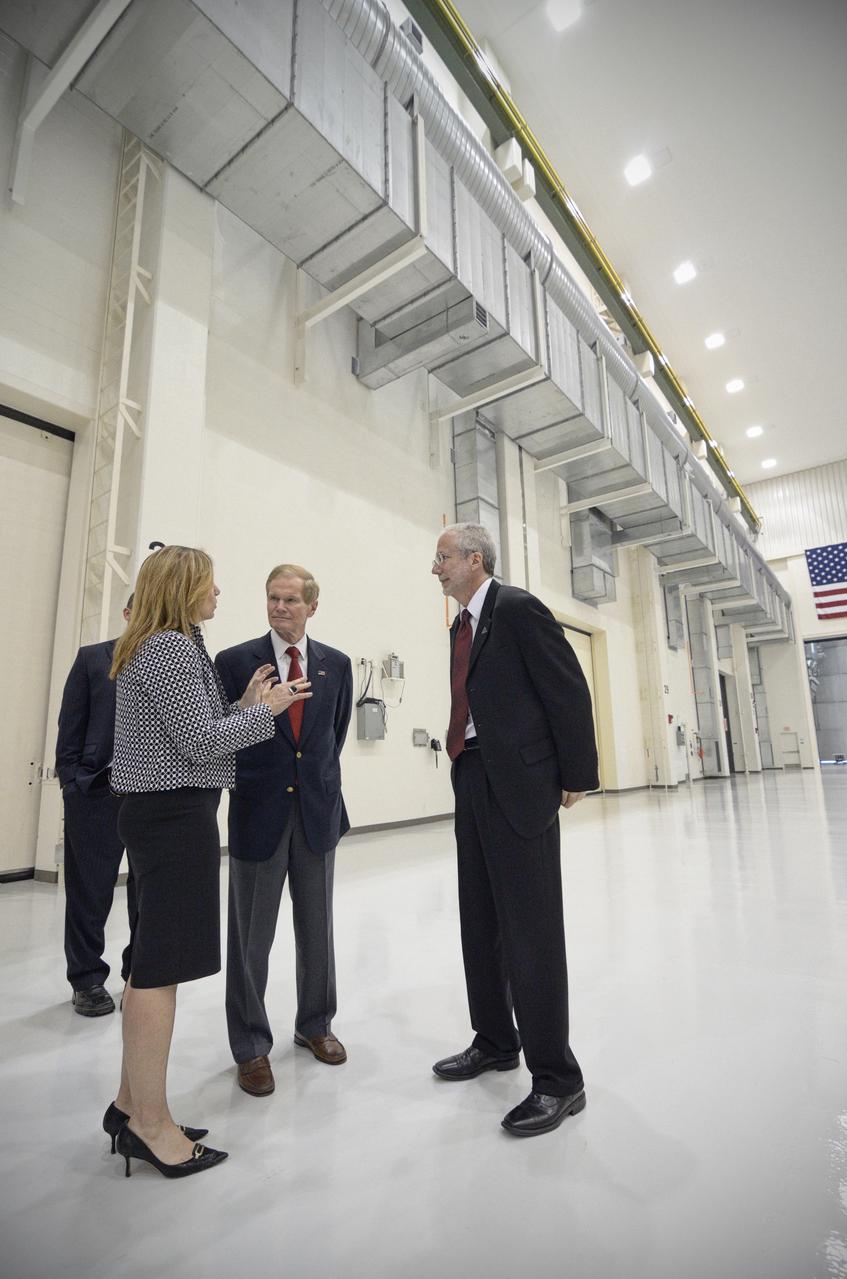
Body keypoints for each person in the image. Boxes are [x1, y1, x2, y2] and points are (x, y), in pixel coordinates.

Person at [106, 545, 310, 1178]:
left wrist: (244, 705)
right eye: (210, 584)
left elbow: (196, 729)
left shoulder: (168, 644)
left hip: (166, 813)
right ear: (184, 588)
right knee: (158, 971)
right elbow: (199, 744)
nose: (219, 593)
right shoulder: (169, 647)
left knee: (151, 962)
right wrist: (267, 713)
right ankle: (151, 1125)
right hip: (171, 816)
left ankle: (128, 1105)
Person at [431, 522, 599, 1137]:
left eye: (443, 557)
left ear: (475, 559)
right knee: (479, 918)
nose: (435, 568)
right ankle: (495, 1040)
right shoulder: (460, 625)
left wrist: (576, 773)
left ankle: (558, 1078)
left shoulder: (518, 609)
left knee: (531, 931)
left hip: (522, 786)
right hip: (473, 776)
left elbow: (567, 690)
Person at [215, 563, 353, 1097]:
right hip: (259, 814)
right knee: (251, 938)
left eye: (291, 600)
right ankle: (251, 1045)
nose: (279, 607)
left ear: (312, 606)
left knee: (318, 929)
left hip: (316, 815)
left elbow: (332, 737)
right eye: (273, 597)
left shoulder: (336, 665)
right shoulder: (235, 662)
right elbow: (224, 732)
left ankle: (315, 1024)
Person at [56, 595, 135, 1016]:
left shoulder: (169, 664)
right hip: (96, 792)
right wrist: (72, 784)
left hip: (150, 797)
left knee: (147, 895)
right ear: (126, 614)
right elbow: (70, 725)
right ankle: (86, 980)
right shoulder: (92, 659)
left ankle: (138, 975)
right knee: (89, 892)